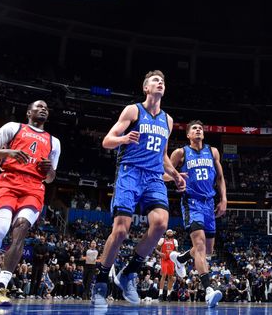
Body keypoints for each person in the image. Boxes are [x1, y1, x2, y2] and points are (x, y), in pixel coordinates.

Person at [90, 70, 186, 306]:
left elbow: (163, 154)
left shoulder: (168, 120)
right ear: (146, 88)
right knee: (121, 230)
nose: (160, 82)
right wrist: (123, 139)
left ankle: (129, 272)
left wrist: (174, 175)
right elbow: (107, 140)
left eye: (163, 81)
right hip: (130, 172)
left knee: (162, 223)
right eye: (155, 80)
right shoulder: (133, 110)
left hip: (154, 177)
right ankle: (101, 279)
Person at [0, 100, 61, 306]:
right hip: (8, 182)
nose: (43, 108)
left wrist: (48, 170)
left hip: (34, 187)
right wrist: (10, 152)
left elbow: (51, 178)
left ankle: (0, 287)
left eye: (46, 108)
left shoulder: (54, 141)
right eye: (39, 106)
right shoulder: (13, 128)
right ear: (28, 111)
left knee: (21, 228)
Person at [169, 120, 226, 307]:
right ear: (188, 135)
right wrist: (176, 177)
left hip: (209, 203)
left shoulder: (213, 151)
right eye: (194, 128)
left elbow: (220, 177)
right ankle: (208, 291)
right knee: (200, 246)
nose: (198, 130)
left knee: (207, 251)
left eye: (201, 128)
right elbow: (162, 173)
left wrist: (224, 199)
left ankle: (181, 258)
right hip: (192, 203)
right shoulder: (181, 153)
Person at [157, 229, 178, 301]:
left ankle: (169, 294)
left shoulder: (175, 241)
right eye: (168, 231)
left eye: (171, 232)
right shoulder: (162, 240)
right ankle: (160, 294)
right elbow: (156, 249)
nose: (169, 232)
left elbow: (176, 251)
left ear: (172, 234)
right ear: (166, 233)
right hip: (164, 260)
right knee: (163, 275)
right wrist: (160, 253)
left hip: (171, 260)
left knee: (170, 277)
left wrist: (176, 259)